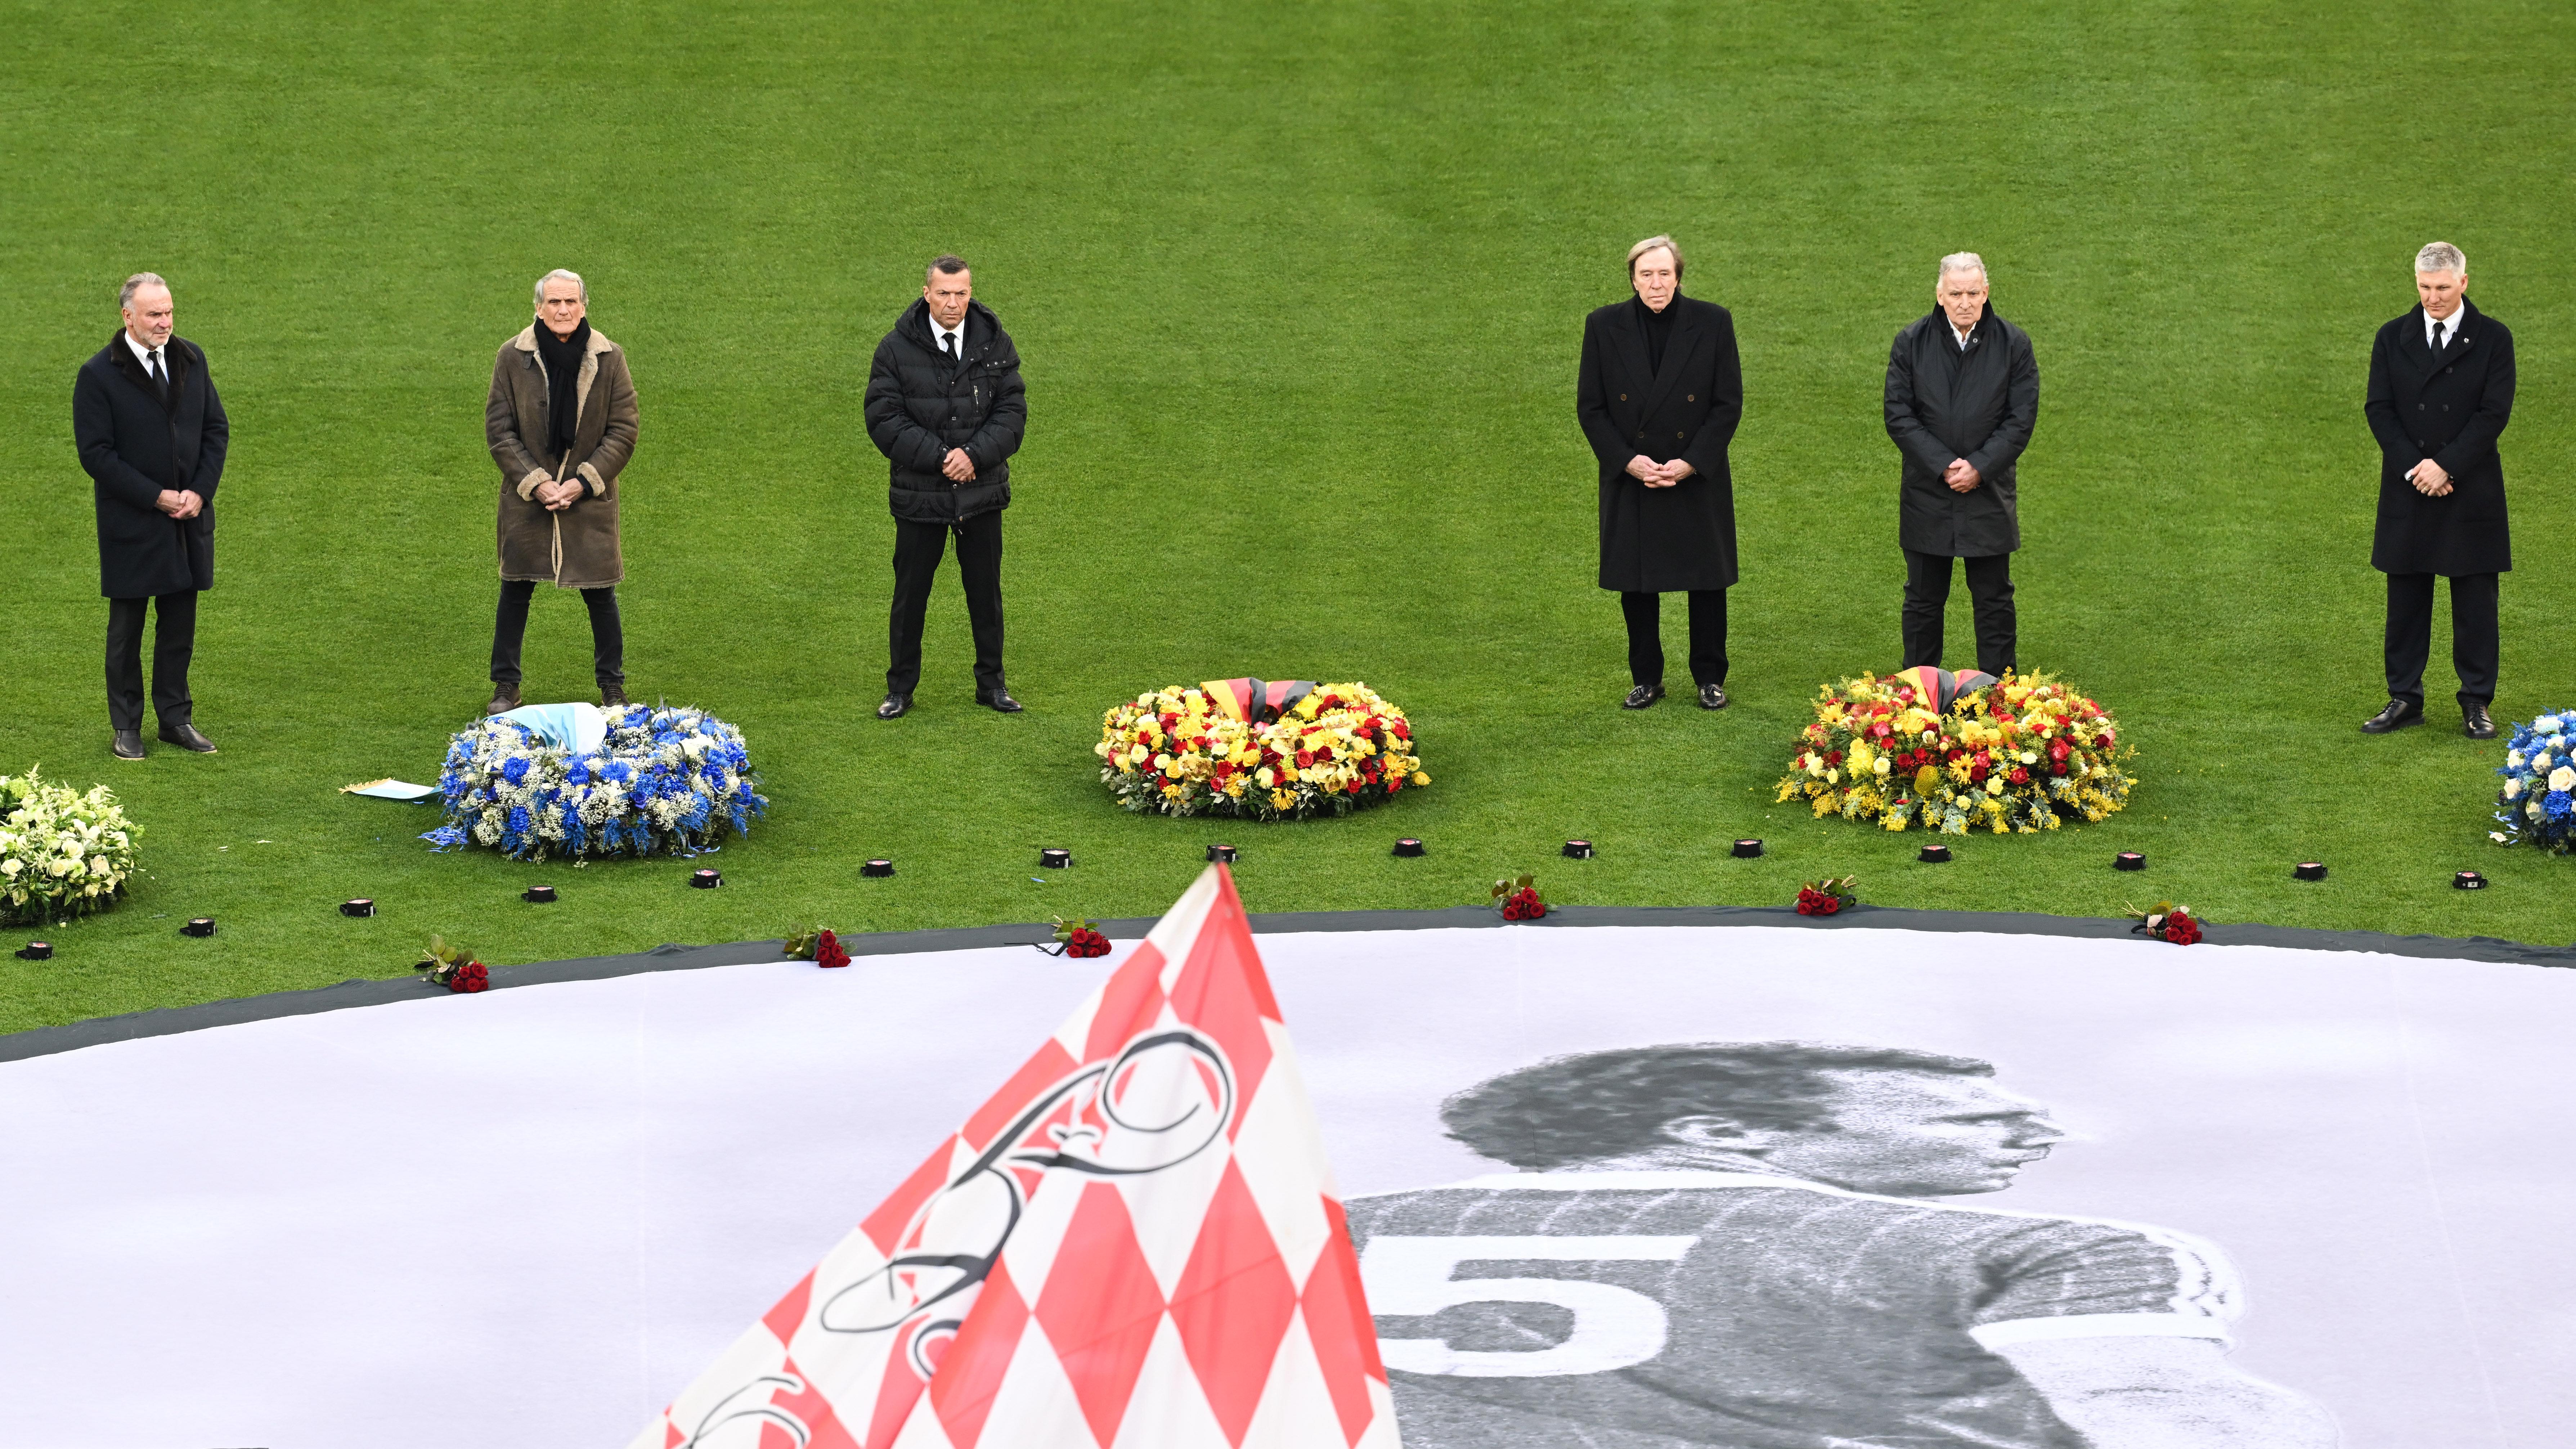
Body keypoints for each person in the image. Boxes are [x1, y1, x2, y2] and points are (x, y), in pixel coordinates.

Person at [1346, 1042, 2338, 1449]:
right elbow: (2173, 1425)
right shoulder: (2058, 1249)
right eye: (1975, 1119)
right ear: (1721, 1132)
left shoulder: (1287, 1226)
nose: (2032, 1138)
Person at [1576, 235, 1744, 710]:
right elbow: (1591, 407)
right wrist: (1628, 461)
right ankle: (1646, 678)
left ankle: (1710, 678)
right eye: (1646, 274)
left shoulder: (1712, 322)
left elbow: (1726, 403)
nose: (1656, 283)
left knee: (1707, 581)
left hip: (1696, 474)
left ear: (1678, 276)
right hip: (1633, 474)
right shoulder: (1603, 326)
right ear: (1632, 278)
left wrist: (1691, 462)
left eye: (1664, 274)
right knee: (1636, 581)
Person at [2361, 242, 2516, 739]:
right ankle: (2404, 698)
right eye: (2424, 288)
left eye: (2442, 288)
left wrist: (2445, 466)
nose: (2432, 298)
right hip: (2409, 487)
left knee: (2474, 603)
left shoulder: (2493, 338)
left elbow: (2493, 413)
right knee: (2404, 599)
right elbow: (2378, 409)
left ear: (2463, 283)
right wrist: (2416, 468)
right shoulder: (2391, 337)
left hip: (2469, 489)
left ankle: (2476, 702)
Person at [866, 254, 1028, 719]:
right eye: (944, 293)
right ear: (927, 294)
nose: (953, 303)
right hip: (920, 497)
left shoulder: (995, 344)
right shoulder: (894, 350)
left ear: (970, 293)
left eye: (961, 293)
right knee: (910, 595)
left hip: (981, 494)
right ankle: (900, 690)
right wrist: (942, 458)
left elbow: (1012, 413)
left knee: (985, 593)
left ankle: (992, 686)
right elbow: (883, 419)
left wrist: (974, 456)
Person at [73, 273, 228, 760]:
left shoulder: (191, 358)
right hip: (134, 525)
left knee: (180, 625)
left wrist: (199, 492)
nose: (165, 323)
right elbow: (96, 455)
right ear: (128, 318)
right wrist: (157, 496)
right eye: (154, 315)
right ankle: (126, 726)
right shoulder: (98, 375)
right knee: (127, 630)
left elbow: (215, 429)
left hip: (188, 519)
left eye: (169, 312)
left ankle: (175, 718)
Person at [484, 269, 639, 714]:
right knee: (515, 589)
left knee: (601, 593)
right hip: (526, 499)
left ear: (584, 305)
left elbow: (624, 430)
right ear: (538, 308)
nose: (563, 310)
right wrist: (537, 483)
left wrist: (581, 482)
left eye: (570, 302)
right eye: (553, 303)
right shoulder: (512, 357)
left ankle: (612, 688)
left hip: (589, 499)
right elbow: (499, 430)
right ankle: (505, 687)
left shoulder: (610, 358)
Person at [1884, 253, 2040, 677]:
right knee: (1922, 600)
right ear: (1939, 294)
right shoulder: (1910, 342)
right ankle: (1916, 698)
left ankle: (1999, 698)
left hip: (1987, 493)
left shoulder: (2014, 344)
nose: (1965, 302)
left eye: (1973, 293)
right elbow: (1898, 415)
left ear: (1986, 293)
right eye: (1955, 294)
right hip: (1926, 494)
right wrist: (1943, 466)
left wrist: (1979, 467)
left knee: (1993, 601)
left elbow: (2020, 418)